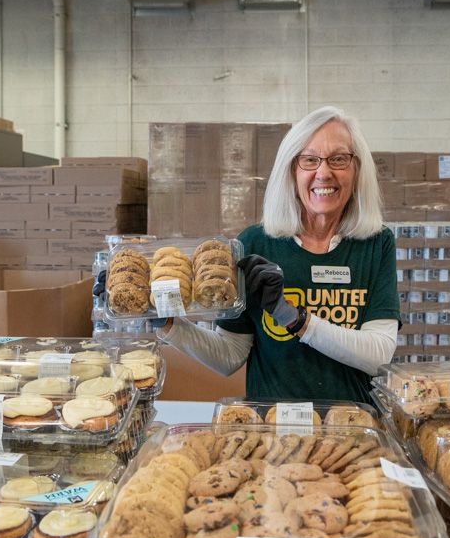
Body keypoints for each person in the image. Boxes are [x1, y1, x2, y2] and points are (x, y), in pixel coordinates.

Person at [156, 105, 400, 403]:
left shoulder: (376, 244)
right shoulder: (256, 243)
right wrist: (168, 324)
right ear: (292, 170)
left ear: (357, 169)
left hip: (352, 427)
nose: (324, 173)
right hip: (272, 431)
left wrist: (294, 318)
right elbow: (229, 355)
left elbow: (378, 355)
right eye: (309, 160)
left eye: (338, 159)